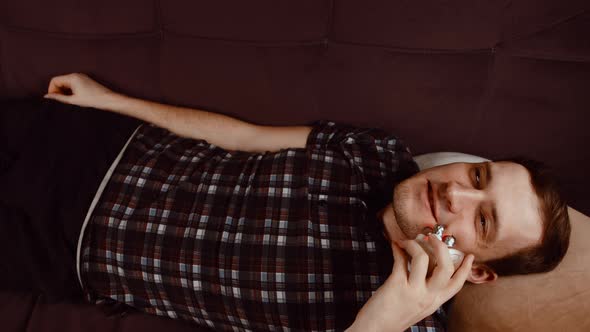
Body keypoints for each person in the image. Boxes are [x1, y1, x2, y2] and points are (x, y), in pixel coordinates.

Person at [1, 72, 570, 331]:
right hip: (90, 146)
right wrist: (111, 101)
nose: (456, 191)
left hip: (61, 253)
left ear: (479, 273)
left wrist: (384, 319)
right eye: (477, 174)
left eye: (484, 217)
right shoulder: (374, 151)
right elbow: (240, 136)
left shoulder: (404, 326)